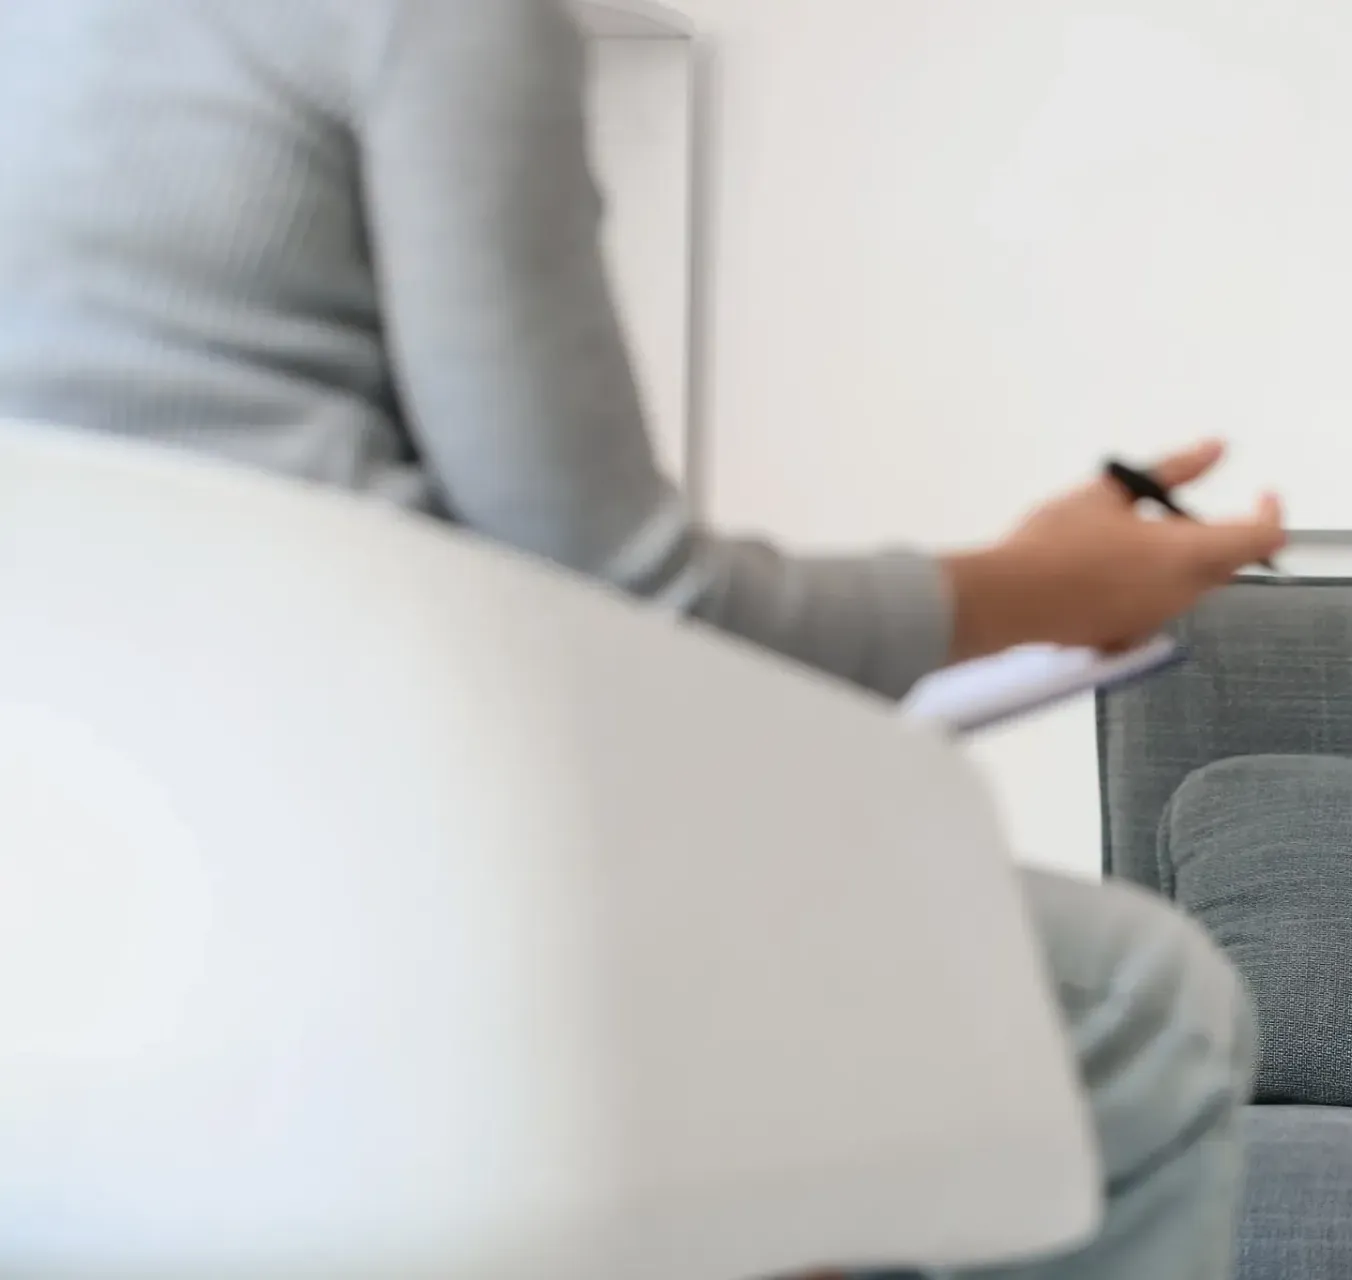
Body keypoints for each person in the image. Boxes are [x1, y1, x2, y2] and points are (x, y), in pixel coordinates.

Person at [0, 0, 1283, 1275]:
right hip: (362, 911)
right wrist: (1045, 586)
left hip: (56, 936)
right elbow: (633, 597)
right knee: (1146, 1013)